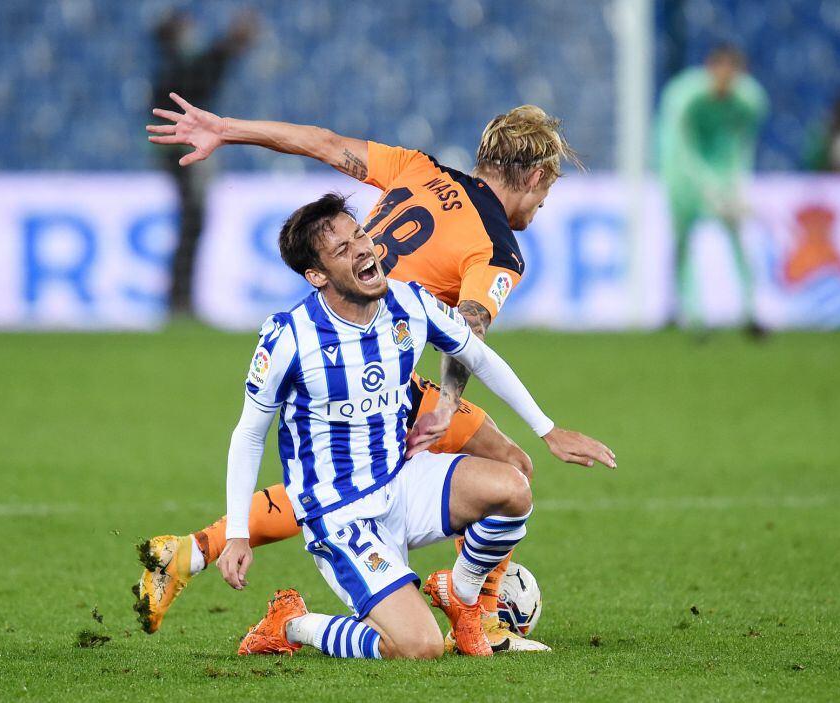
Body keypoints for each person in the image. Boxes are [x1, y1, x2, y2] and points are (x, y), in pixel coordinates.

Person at [135, 95, 584, 652]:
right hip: (376, 367)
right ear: (537, 176)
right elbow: (470, 334)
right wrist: (446, 404)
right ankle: (478, 615)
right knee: (508, 465)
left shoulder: (420, 169)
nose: (541, 207)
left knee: (337, 479)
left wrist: (228, 129)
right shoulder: (498, 250)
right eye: (548, 192)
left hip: (342, 347)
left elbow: (320, 141)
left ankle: (191, 551)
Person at [220, 193, 615, 659]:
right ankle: (293, 624)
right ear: (317, 275)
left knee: (513, 488)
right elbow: (249, 433)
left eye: (360, 235)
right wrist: (236, 534)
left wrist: (548, 430)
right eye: (343, 250)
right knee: (419, 648)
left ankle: (463, 598)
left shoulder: (408, 303)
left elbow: (478, 357)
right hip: (342, 516)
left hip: (402, 481)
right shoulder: (290, 337)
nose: (364, 249)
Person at [152, 10, 258, 316]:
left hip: (180, 155)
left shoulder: (171, 69)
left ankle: (180, 299)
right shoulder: (176, 70)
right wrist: (228, 46)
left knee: (191, 223)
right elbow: (202, 74)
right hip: (184, 155)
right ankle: (180, 299)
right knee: (192, 222)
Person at [657, 45, 769, 337]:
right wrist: (704, 186)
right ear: (710, 70)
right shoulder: (685, 98)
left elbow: (741, 144)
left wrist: (735, 184)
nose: (726, 80)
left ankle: (750, 311)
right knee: (683, 241)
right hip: (682, 173)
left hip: (722, 171)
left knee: (738, 238)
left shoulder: (749, 100)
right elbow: (679, 147)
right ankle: (692, 315)